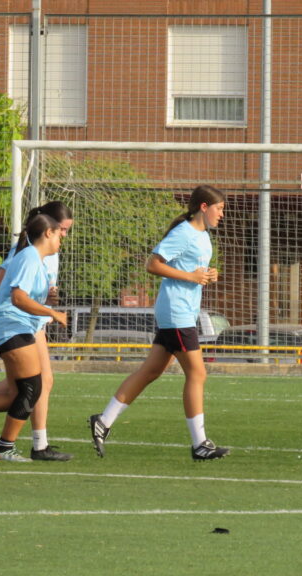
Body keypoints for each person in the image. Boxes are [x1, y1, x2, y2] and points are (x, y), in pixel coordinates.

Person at [88, 185, 230, 461]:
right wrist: (191, 278)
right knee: (198, 373)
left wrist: (208, 275)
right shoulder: (184, 233)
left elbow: (193, 270)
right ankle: (200, 444)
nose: (222, 214)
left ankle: (103, 421)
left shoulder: (203, 236)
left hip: (182, 313)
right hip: (176, 312)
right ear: (203, 207)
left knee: (150, 372)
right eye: (219, 208)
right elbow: (152, 264)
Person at [0, 201, 75, 461]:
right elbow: (17, 297)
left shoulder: (35, 259)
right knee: (33, 387)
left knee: (22, 391)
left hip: (16, 326)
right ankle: (5, 447)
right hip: (10, 325)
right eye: (61, 232)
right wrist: (51, 312)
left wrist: (49, 301)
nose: (63, 237)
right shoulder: (27, 256)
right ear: (48, 232)